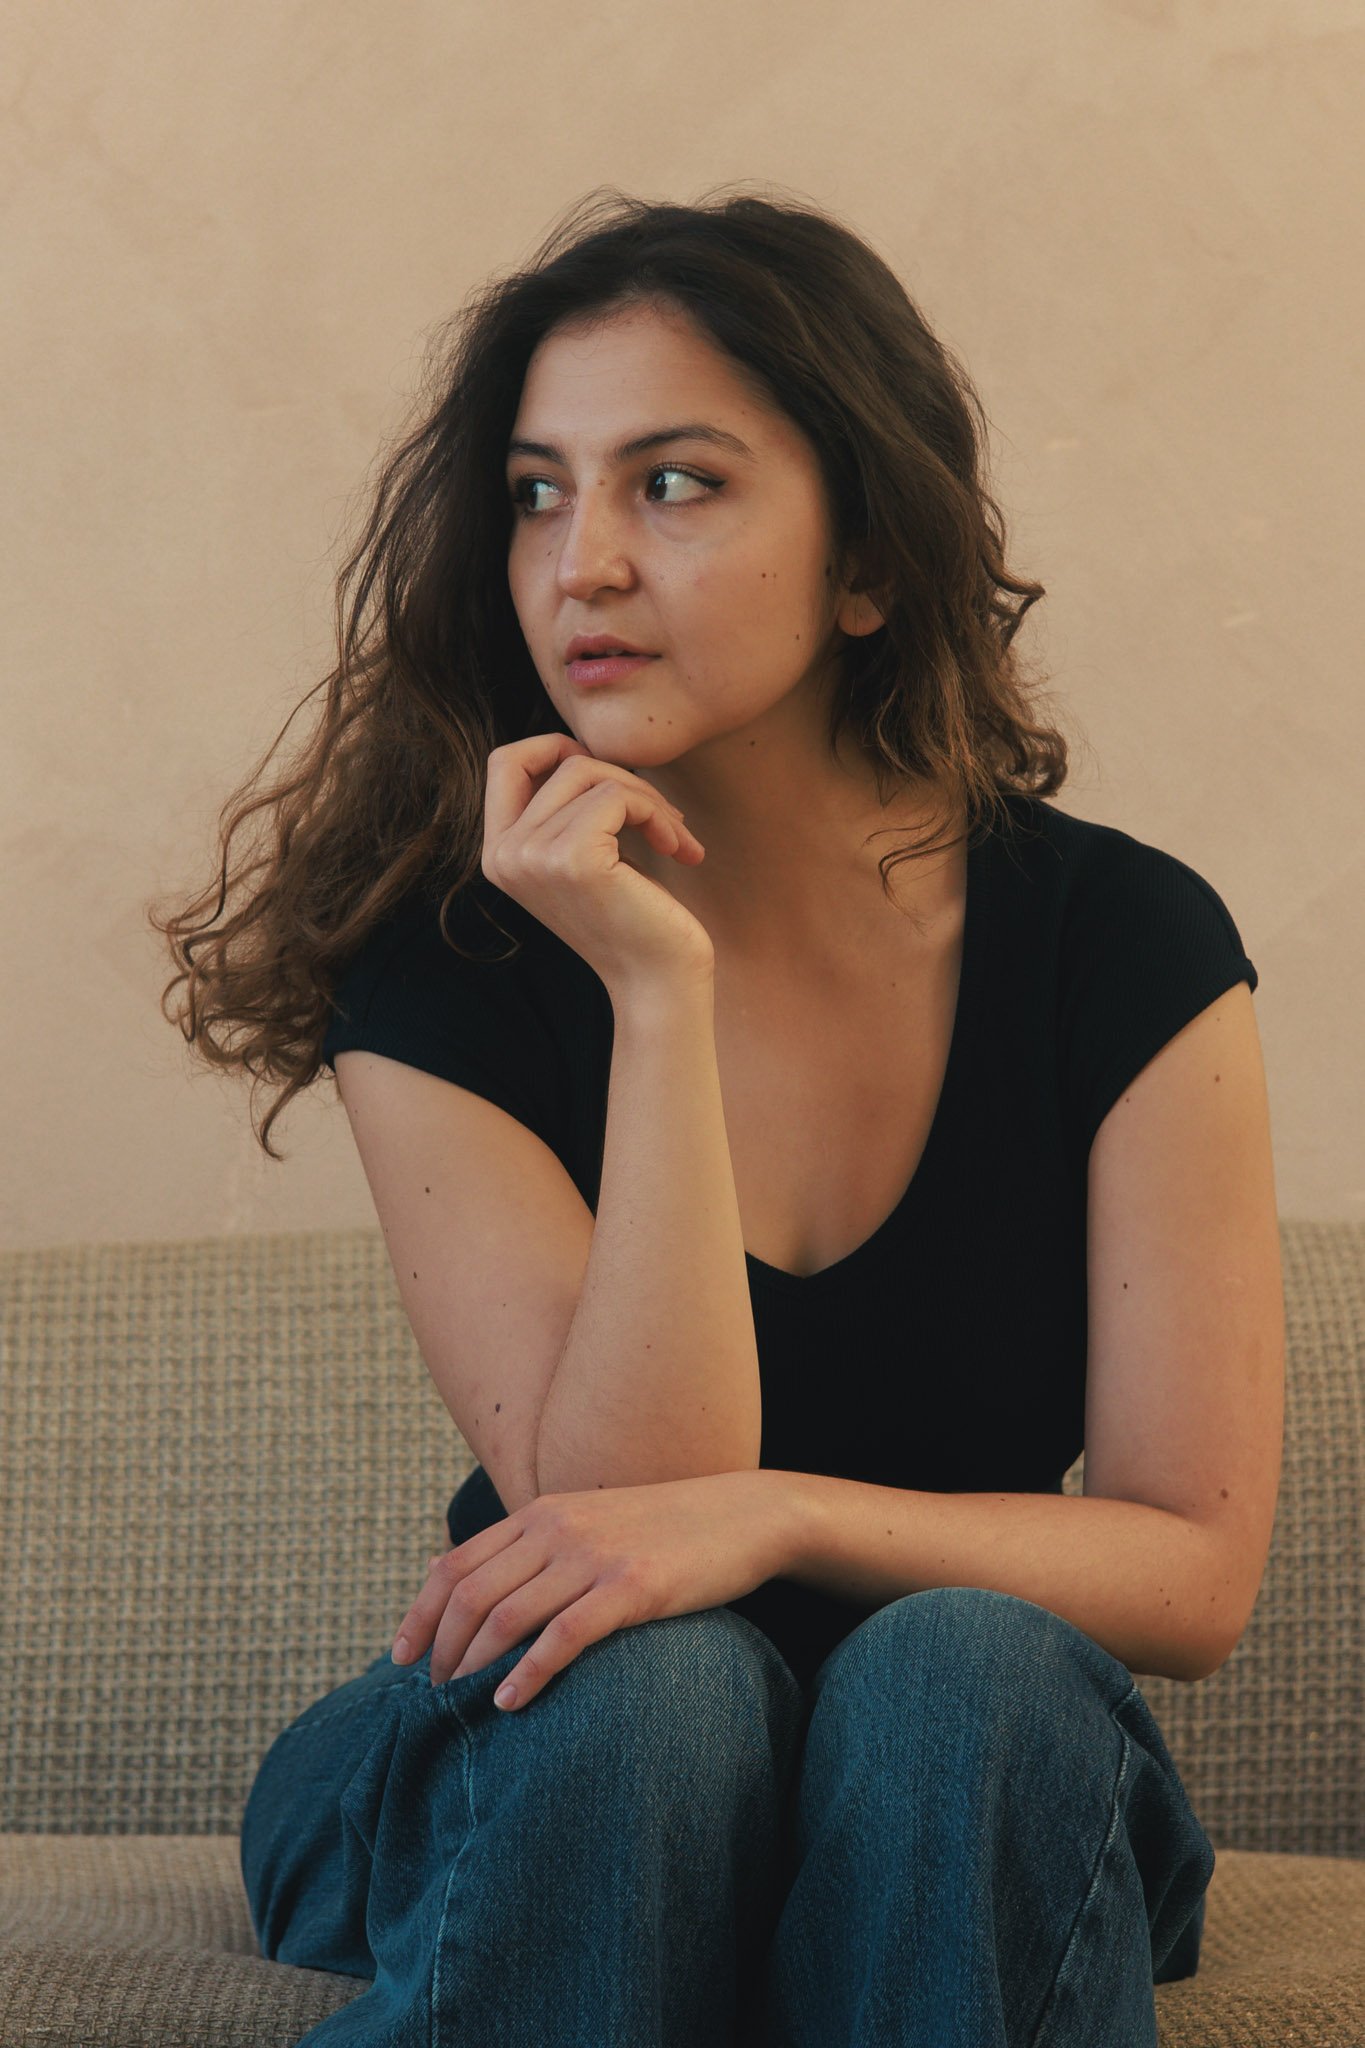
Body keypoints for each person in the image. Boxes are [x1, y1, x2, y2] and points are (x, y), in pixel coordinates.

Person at [150, 185, 1283, 2046]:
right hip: (551, 1758)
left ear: (867, 563)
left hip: (968, 1783)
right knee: (663, 1688)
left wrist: (775, 1519)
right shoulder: (441, 965)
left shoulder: (1119, 942)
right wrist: (652, 996)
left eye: (671, 482)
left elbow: (1188, 1567)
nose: (579, 561)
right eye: (535, 491)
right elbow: (608, 1525)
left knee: (960, 1671)